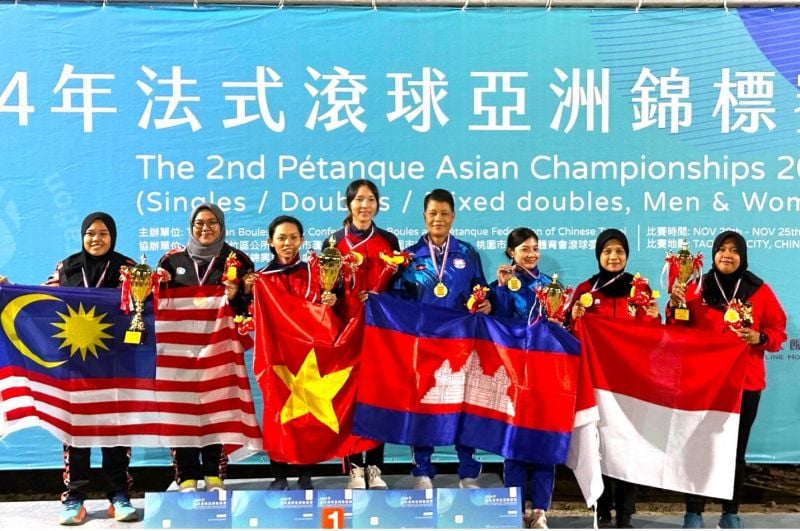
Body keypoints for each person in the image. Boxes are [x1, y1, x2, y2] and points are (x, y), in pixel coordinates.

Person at [667, 231, 786, 530]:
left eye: (734, 250)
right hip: (703, 383)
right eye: (721, 249)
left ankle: (729, 512)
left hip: (745, 382)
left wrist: (760, 337)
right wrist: (675, 305)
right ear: (713, 254)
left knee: (736, 452)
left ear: (742, 256)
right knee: (698, 447)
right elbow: (677, 327)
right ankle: (693, 511)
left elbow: (778, 329)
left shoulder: (759, 291)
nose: (727, 255)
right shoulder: (696, 287)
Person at [391, 188, 492, 490]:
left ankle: (468, 472)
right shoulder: (409, 257)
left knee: (464, 407)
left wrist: (486, 303)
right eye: (433, 213)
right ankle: (423, 471)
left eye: (444, 213)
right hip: (423, 346)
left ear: (453, 216)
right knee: (424, 407)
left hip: (462, 343)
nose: (438, 218)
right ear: (424, 216)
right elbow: (397, 299)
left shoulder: (467, 253)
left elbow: (481, 289)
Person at [44, 212, 138, 525]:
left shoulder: (129, 268)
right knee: (76, 434)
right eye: (91, 233)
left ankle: (119, 495)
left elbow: (147, 306)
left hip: (116, 365)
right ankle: (74, 499)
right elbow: (43, 300)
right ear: (82, 236)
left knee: (116, 431)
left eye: (103, 234)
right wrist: (9, 289)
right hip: (77, 366)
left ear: (113, 236)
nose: (96, 239)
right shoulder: (67, 266)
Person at [157, 203, 254, 493]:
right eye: (199, 223)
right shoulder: (171, 261)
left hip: (220, 350)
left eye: (212, 222)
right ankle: (186, 475)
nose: (205, 228)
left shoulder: (238, 260)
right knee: (182, 412)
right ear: (191, 226)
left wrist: (238, 296)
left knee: (218, 408)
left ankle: (214, 474)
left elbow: (250, 309)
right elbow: (155, 303)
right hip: (180, 352)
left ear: (221, 226)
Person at [569, 228, 660, 529]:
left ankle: (625, 514)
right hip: (597, 384)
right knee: (600, 446)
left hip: (633, 384)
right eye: (607, 251)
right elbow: (571, 332)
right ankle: (601, 510)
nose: (613, 256)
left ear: (626, 255)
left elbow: (651, 334)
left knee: (630, 448)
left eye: (619, 251)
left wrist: (652, 315)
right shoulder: (586, 290)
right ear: (598, 255)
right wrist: (574, 317)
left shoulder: (640, 288)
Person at [244, 215, 337, 490]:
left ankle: (305, 472)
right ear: (270, 242)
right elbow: (250, 312)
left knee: (308, 414)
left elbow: (333, 309)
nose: (288, 243)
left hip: (309, 354)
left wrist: (332, 298)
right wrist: (248, 293)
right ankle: (279, 474)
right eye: (281, 238)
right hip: (277, 357)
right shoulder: (261, 278)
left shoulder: (316, 273)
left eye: (293, 237)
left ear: (302, 240)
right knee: (277, 413)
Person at [330, 180, 399, 490]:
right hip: (346, 333)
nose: (365, 205)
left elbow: (399, 289)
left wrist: (381, 299)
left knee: (378, 398)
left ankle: (375, 467)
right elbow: (327, 288)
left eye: (371, 199)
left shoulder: (388, 240)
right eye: (359, 199)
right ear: (348, 204)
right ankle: (354, 468)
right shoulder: (334, 242)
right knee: (350, 401)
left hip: (379, 334)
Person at [490, 227, 554, 529]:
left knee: (544, 443)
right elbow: (496, 326)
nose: (531, 254)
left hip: (544, 375)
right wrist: (502, 289)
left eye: (534, 248)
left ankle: (540, 509)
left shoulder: (551, 287)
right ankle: (514, 507)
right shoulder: (499, 287)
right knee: (513, 444)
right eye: (524, 249)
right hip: (511, 376)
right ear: (510, 253)